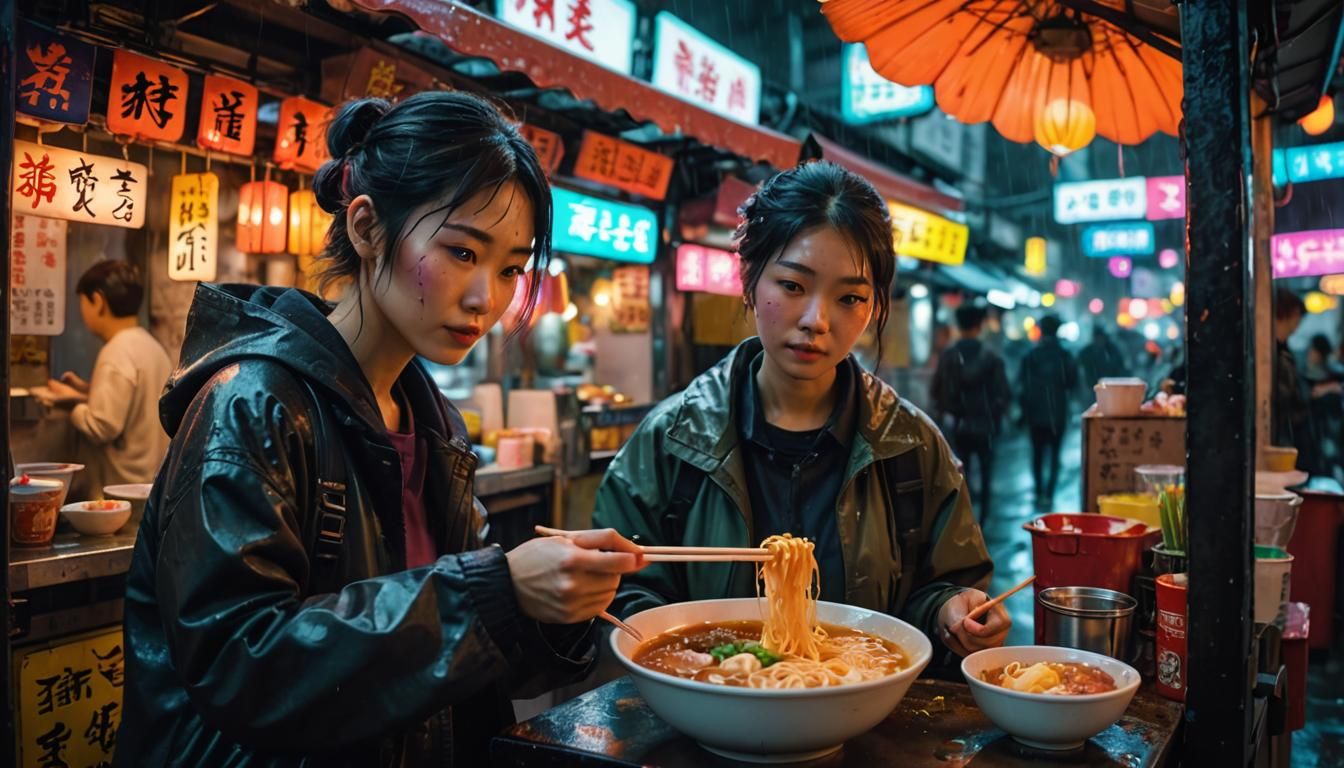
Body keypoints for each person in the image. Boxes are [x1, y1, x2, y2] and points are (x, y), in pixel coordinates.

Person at [115, 92, 646, 767]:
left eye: (510, 268)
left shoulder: (433, 423)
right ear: (366, 229)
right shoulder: (254, 404)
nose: (487, 295)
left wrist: (548, 607)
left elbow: (448, 659)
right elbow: (240, 664)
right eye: (461, 251)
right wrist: (491, 592)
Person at [593, 161, 1009, 660]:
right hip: (699, 714)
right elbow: (616, 591)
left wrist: (953, 612)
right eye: (793, 285)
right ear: (750, 279)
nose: (817, 320)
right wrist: (680, 655)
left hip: (860, 717)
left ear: (874, 306)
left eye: (850, 297)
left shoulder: (911, 446)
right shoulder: (671, 440)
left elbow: (944, 589)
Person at [35, 260, 173, 494]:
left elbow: (101, 427)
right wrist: (88, 391)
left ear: (98, 301)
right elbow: (133, 402)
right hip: (152, 483)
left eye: (83, 303)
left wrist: (70, 405)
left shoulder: (116, 352)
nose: (82, 312)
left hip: (121, 488)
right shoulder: (151, 346)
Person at [930, 304, 1010, 524]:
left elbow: (937, 390)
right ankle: (982, 519)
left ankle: (963, 519)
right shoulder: (991, 358)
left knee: (960, 472)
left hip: (958, 424)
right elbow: (1002, 393)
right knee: (986, 472)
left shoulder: (948, 356)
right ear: (979, 326)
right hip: (985, 425)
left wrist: (948, 413)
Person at [1018, 313, 1078, 510]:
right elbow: (1072, 382)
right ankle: (1049, 494)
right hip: (1057, 413)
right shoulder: (1064, 355)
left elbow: (1022, 385)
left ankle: (1038, 492)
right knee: (1054, 455)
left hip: (1035, 414)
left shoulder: (1030, 355)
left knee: (1036, 454)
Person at [1273, 289, 1319, 473]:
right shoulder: (1274, 353)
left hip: (1287, 435)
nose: (1298, 325)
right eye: (1298, 317)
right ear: (1291, 314)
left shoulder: (1281, 350)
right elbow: (1287, 397)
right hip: (1284, 435)